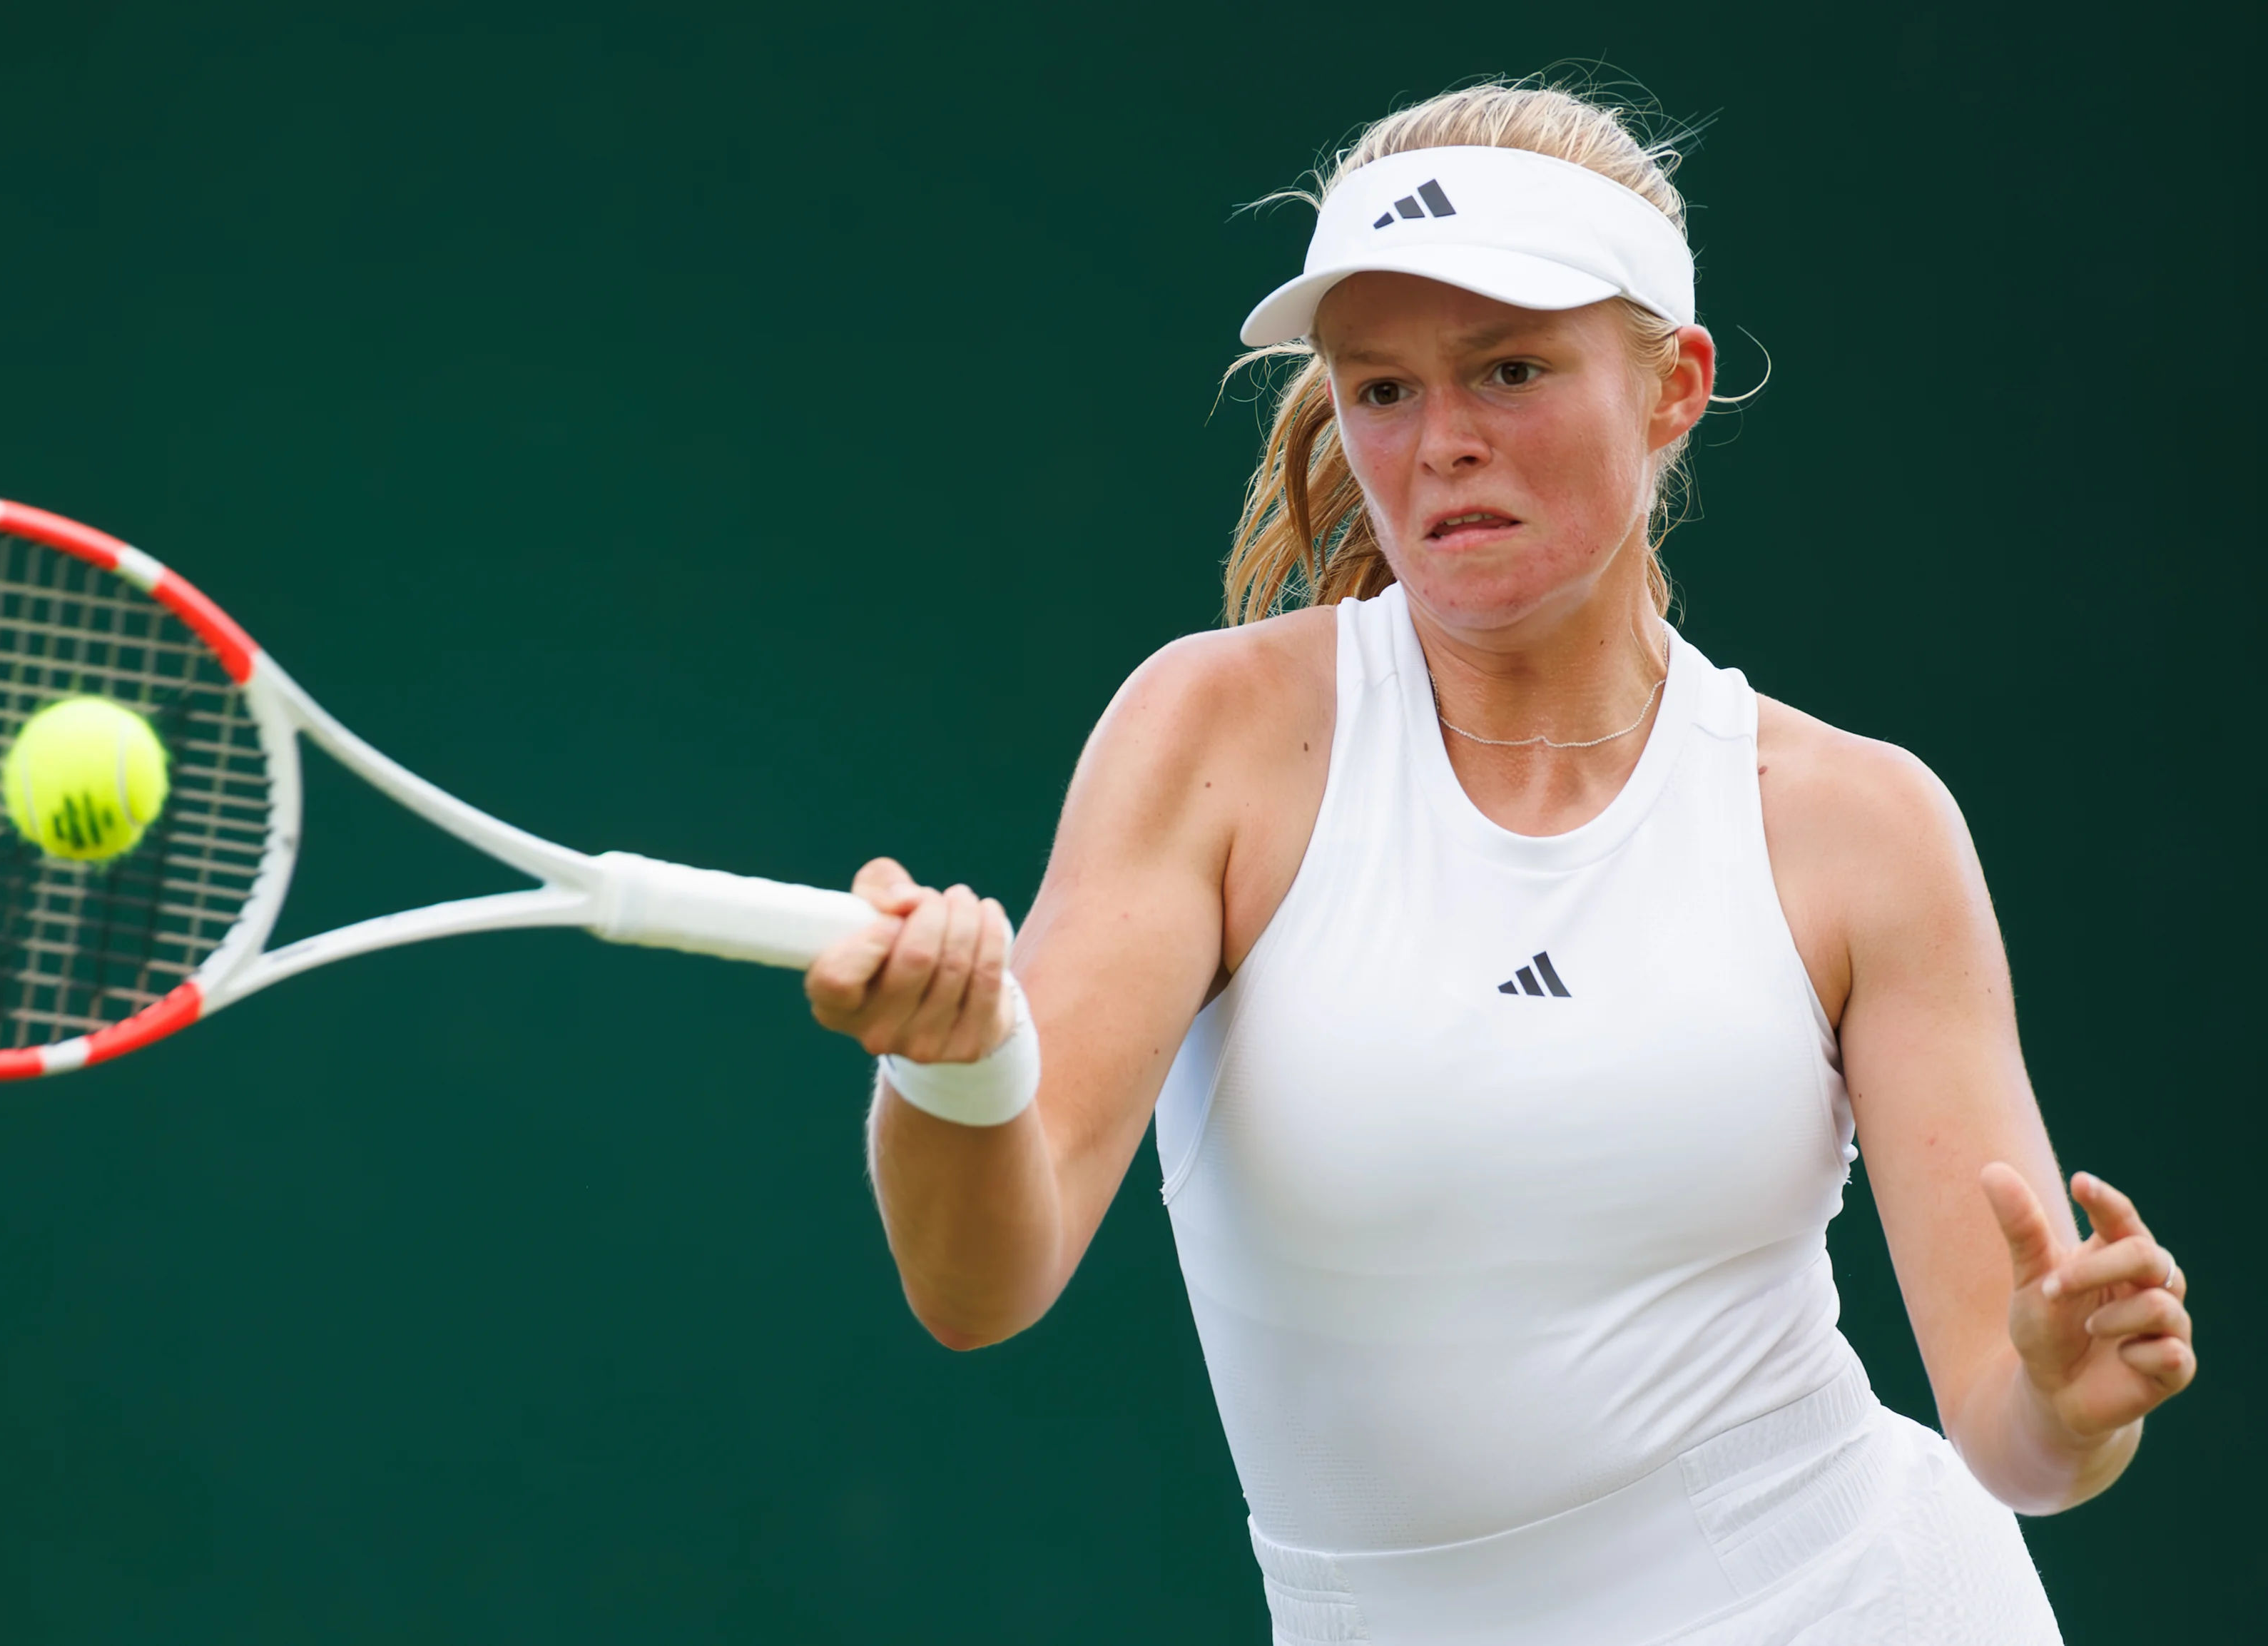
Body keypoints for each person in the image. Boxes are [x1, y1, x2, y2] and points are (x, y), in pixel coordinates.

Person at [803, 81, 2196, 1645]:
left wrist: (2074, 1407)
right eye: (1381, 390)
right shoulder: (1211, 735)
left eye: (1512, 369)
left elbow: (2015, 1430)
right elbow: (980, 1285)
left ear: (1673, 386)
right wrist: (954, 1068)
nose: (1442, 443)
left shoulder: (1862, 825)